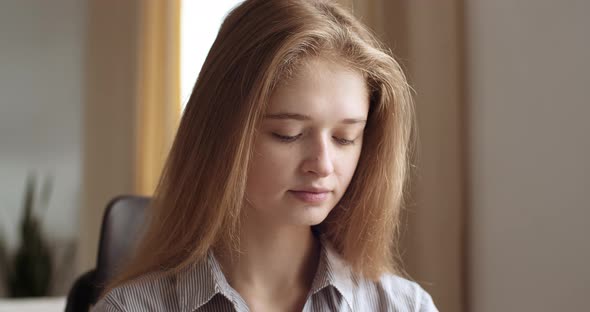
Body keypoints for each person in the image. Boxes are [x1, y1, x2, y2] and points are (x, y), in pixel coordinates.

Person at [92, 0, 437, 311]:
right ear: (222, 133)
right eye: (288, 134)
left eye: (345, 138)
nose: (323, 164)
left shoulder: (404, 306)